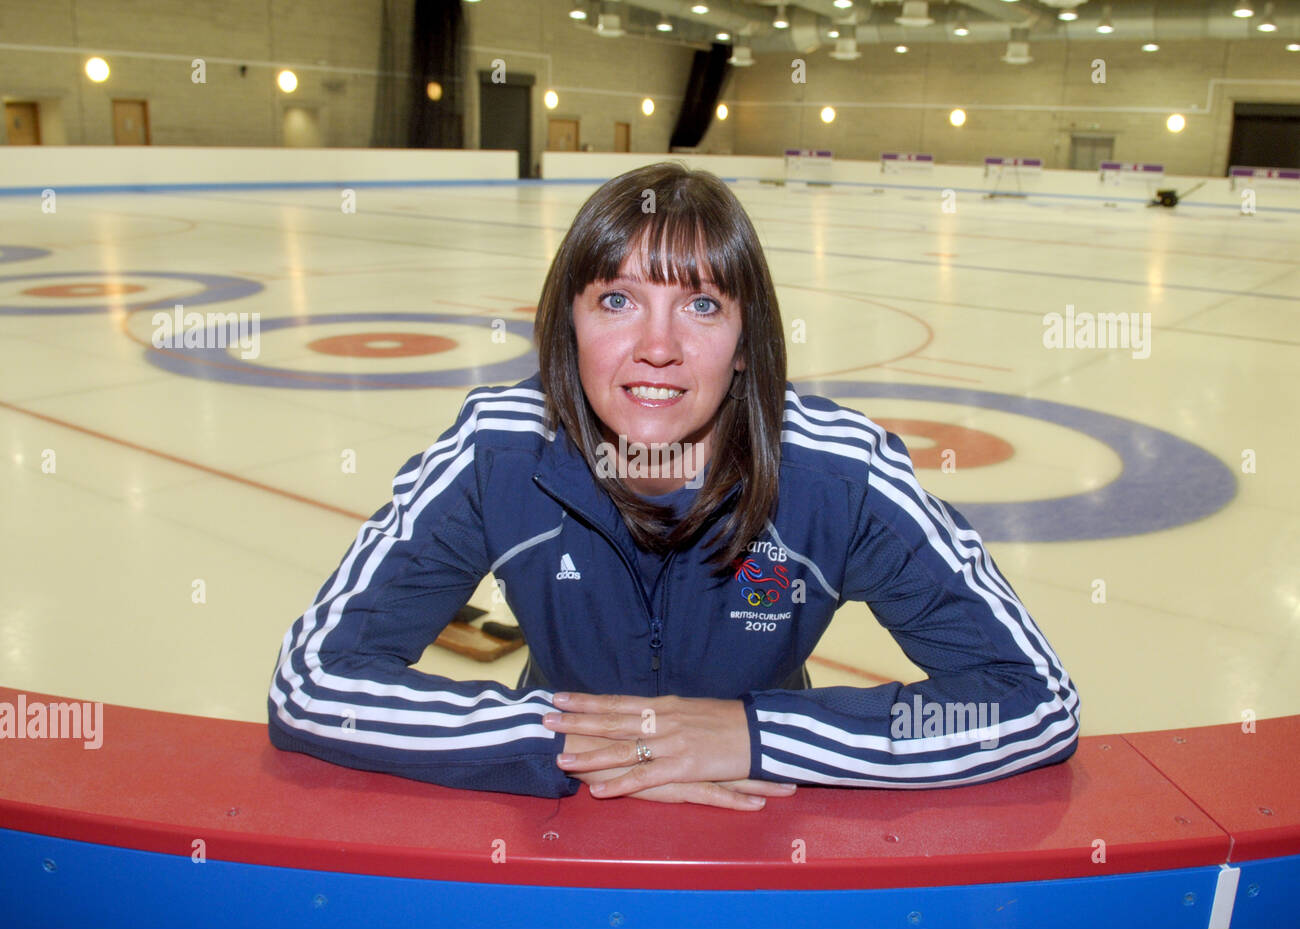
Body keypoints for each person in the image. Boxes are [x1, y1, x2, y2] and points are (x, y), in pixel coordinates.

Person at [267, 161, 1080, 811]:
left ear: (746, 340)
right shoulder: (498, 452)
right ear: (568, 324)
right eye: (617, 299)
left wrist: (755, 736)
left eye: (701, 305)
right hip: (560, 825)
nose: (657, 347)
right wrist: (564, 741)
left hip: (759, 826)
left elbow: (1032, 699)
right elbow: (313, 682)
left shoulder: (840, 475)